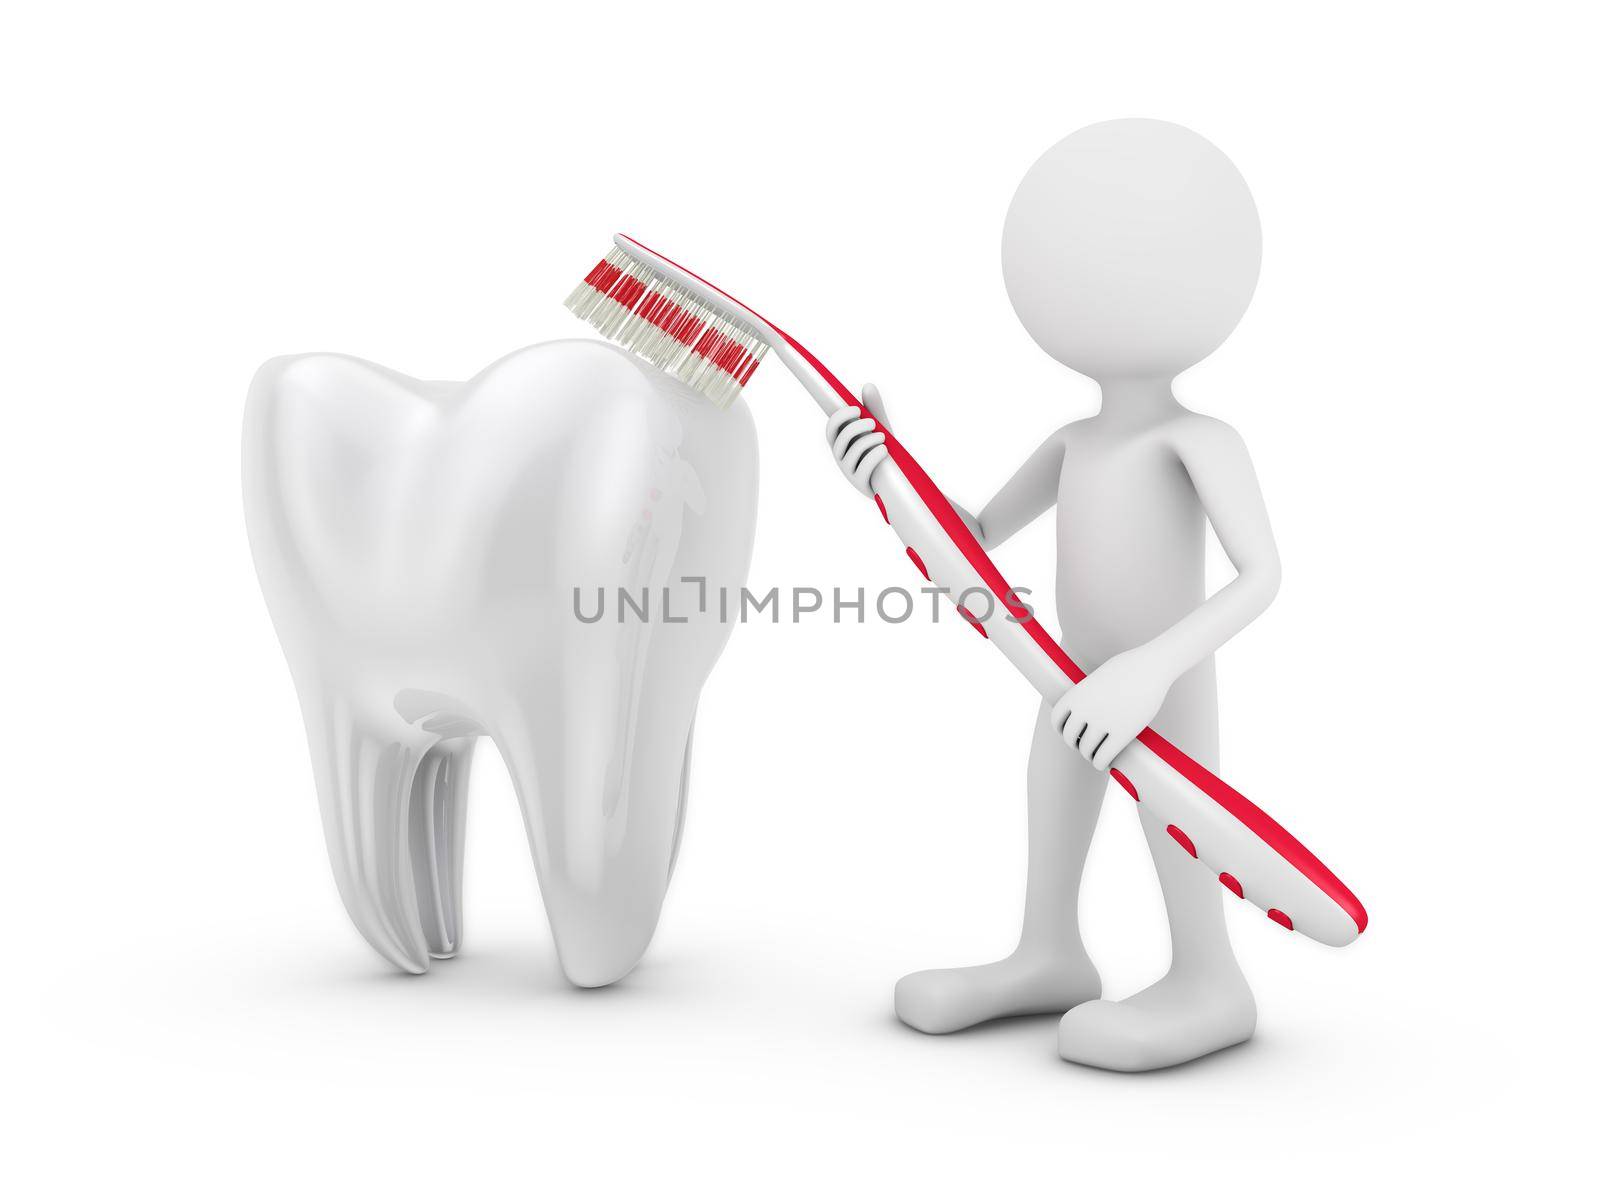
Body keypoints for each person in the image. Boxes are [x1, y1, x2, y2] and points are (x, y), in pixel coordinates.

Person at [826, 119, 1282, 1071]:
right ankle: (1049, 955)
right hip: (1068, 683)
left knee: (1174, 818)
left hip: (1162, 692)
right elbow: (977, 537)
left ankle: (1210, 980)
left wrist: (1150, 673)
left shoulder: (1198, 443)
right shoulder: (1074, 442)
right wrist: (888, 471)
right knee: (1052, 801)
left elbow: (1261, 578)